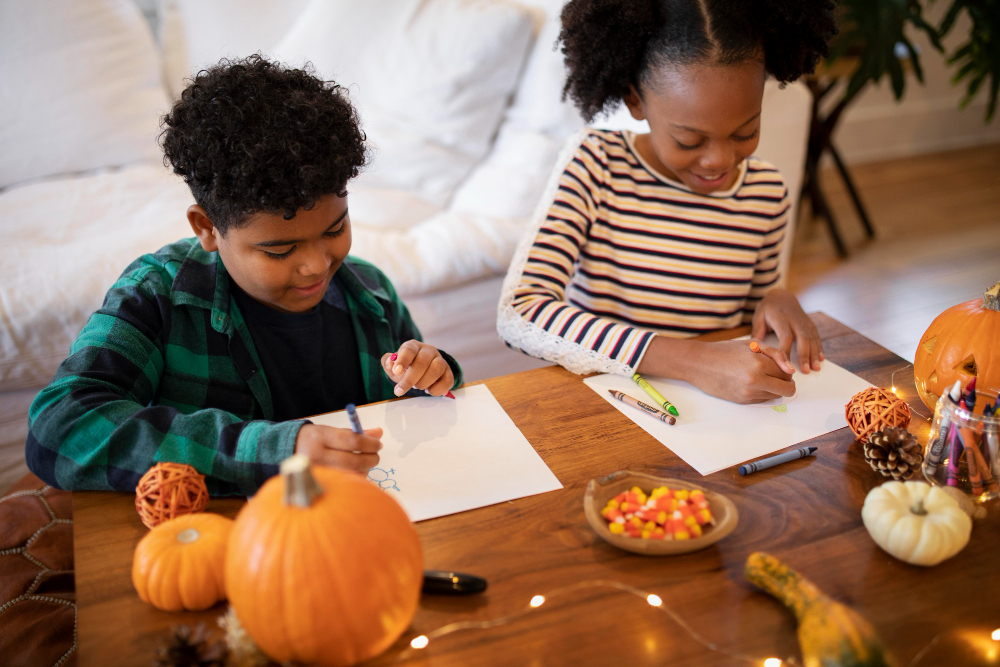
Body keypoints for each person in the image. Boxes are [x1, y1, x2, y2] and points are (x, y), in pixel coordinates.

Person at [25, 55, 461, 495]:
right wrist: (272, 449)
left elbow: (424, 405)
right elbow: (60, 425)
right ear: (207, 228)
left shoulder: (371, 293)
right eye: (279, 250)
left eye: (335, 228)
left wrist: (433, 373)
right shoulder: (157, 294)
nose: (316, 265)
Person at [497, 0, 837, 404]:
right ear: (635, 100)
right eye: (689, 141)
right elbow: (521, 312)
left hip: (718, 417)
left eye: (745, 132)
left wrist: (774, 298)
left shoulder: (766, 191)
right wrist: (693, 360)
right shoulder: (595, 165)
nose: (719, 160)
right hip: (608, 404)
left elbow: (752, 321)